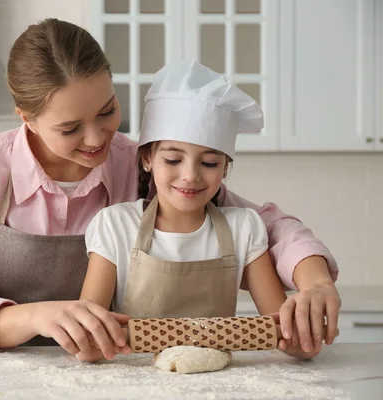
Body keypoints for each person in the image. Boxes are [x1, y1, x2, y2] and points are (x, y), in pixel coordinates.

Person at [0, 18, 340, 361]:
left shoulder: (142, 164)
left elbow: (269, 228)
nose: (96, 138)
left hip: (110, 376)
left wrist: (315, 282)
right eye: (70, 128)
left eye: (108, 111)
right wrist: (37, 317)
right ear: (26, 118)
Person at [81, 60, 319, 361]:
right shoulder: (115, 226)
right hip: (134, 383)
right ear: (146, 160)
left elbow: (282, 329)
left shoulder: (244, 228)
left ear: (225, 168)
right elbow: (89, 333)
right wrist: (90, 340)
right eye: (173, 160)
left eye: (208, 163)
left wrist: (302, 334)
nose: (190, 175)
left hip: (217, 384)